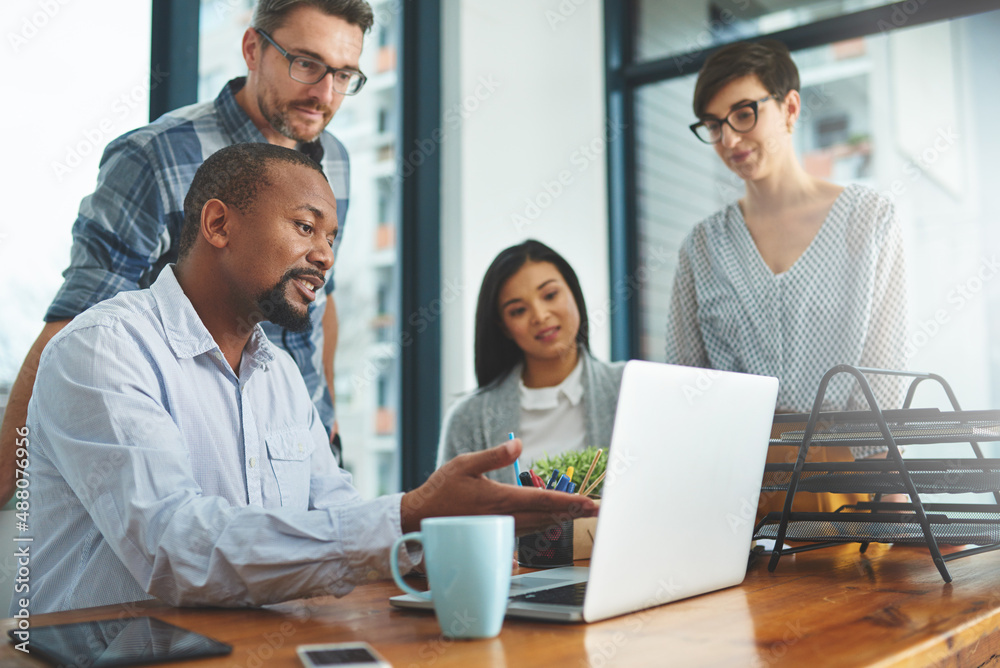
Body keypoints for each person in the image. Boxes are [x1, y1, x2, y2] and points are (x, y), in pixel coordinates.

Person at [19, 144, 595, 615]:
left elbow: (334, 511)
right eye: (305, 227)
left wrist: (441, 531)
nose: (325, 256)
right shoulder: (104, 350)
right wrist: (408, 516)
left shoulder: (282, 375)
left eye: (332, 238)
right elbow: (178, 549)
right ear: (218, 223)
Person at [0, 0, 371, 506]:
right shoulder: (157, 157)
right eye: (306, 64)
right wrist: (8, 484)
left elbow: (317, 307)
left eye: (345, 74)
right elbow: (76, 328)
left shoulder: (337, 163)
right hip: (194, 454)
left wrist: (323, 418)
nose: (325, 93)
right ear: (252, 49)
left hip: (302, 450)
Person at [666, 40, 908, 516]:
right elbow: (684, 386)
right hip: (735, 487)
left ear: (790, 107)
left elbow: (885, 376)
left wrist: (890, 498)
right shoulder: (701, 247)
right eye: (713, 125)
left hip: (851, 482)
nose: (729, 139)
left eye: (743, 113)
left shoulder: (870, 219)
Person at [437, 240, 625, 483]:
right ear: (503, 327)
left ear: (574, 292)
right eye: (518, 311)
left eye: (550, 295)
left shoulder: (628, 388)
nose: (540, 315)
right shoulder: (468, 419)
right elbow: (450, 514)